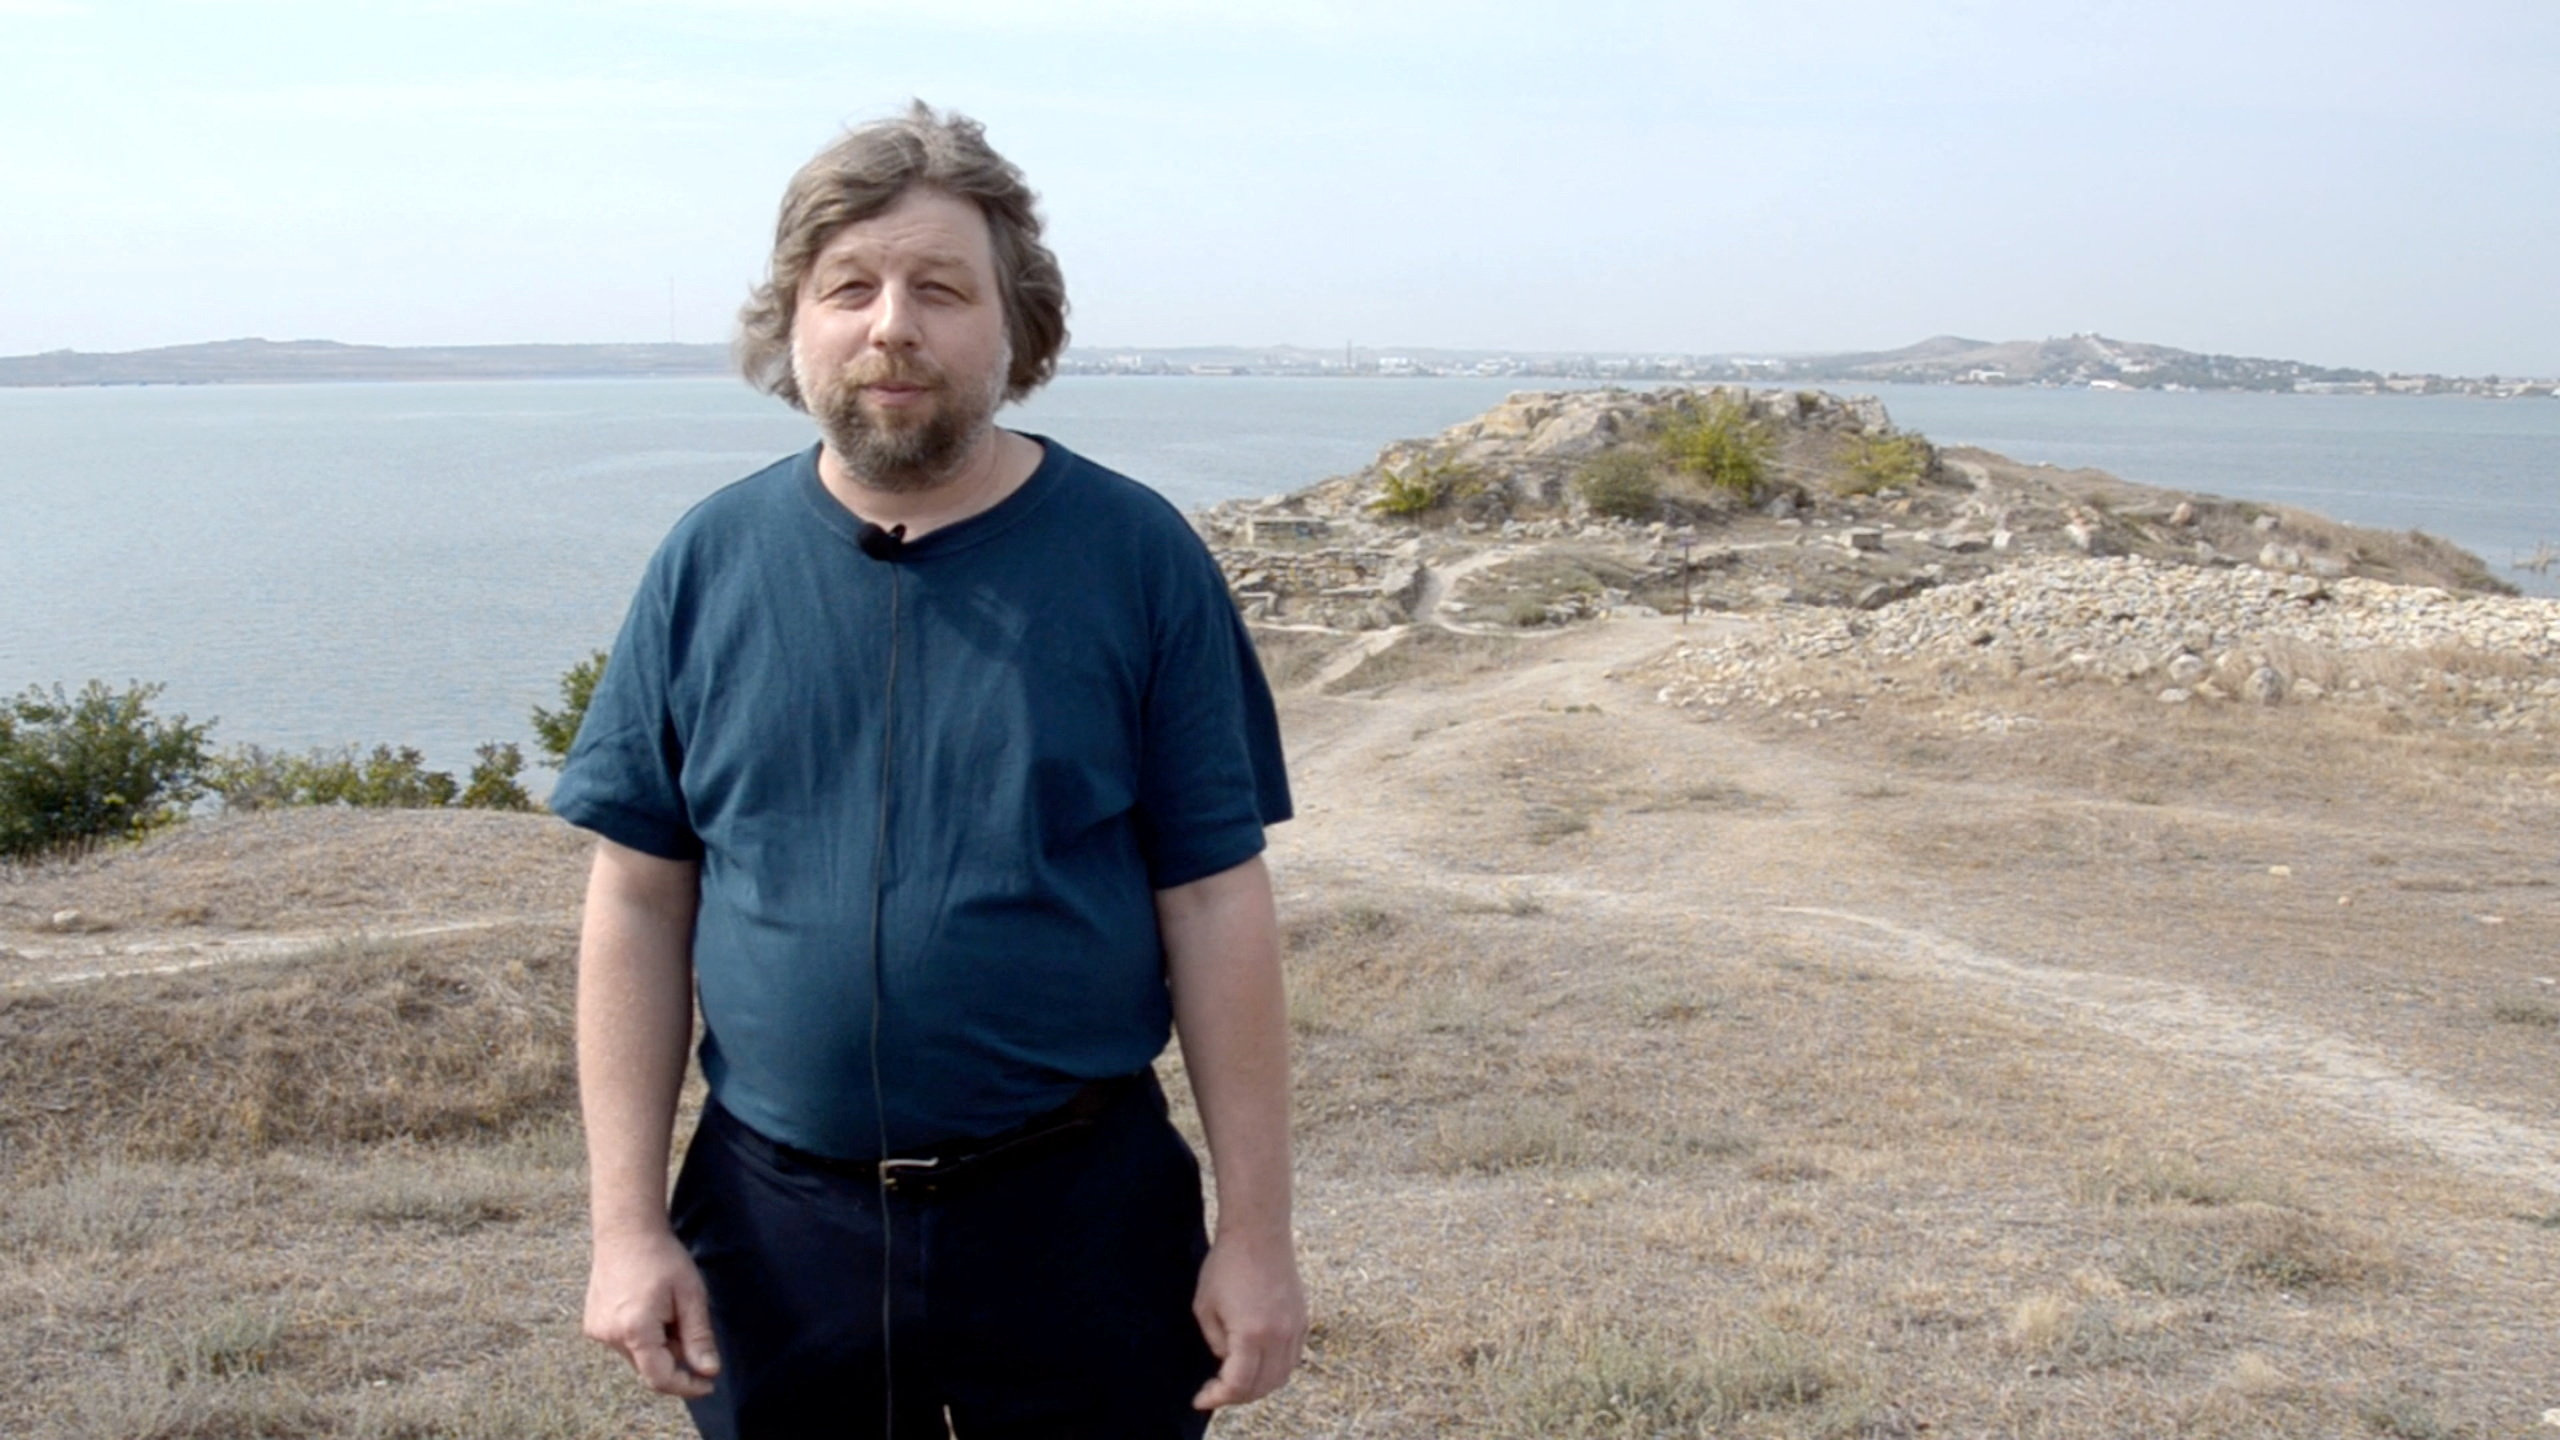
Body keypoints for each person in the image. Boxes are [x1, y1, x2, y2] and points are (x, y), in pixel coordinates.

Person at [553, 102, 1305, 1439]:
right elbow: (641, 900)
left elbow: (1214, 902)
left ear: (1017, 325)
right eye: (850, 286)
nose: (891, 322)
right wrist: (624, 1228)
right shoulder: (706, 564)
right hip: (775, 1232)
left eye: (941, 288)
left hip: (1080, 1219)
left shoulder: (1138, 560)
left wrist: (1256, 1236)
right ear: (795, 321)